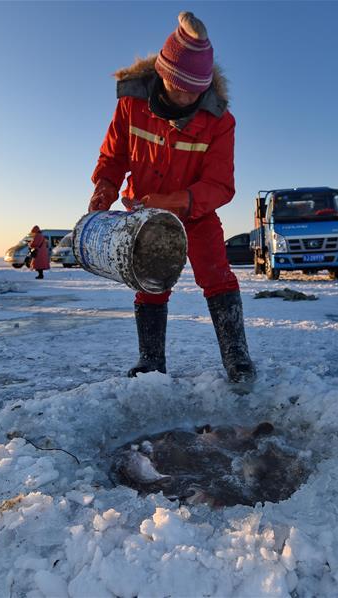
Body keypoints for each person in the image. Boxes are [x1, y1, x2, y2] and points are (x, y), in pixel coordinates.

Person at [89, 12, 255, 384]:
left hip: (196, 212)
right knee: (150, 280)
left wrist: (174, 202)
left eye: (196, 90)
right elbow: (113, 157)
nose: (187, 97)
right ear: (163, 74)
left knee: (217, 275)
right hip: (143, 215)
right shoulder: (131, 104)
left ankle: (237, 358)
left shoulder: (219, 121)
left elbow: (220, 185)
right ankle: (151, 361)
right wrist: (105, 188)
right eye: (180, 87)